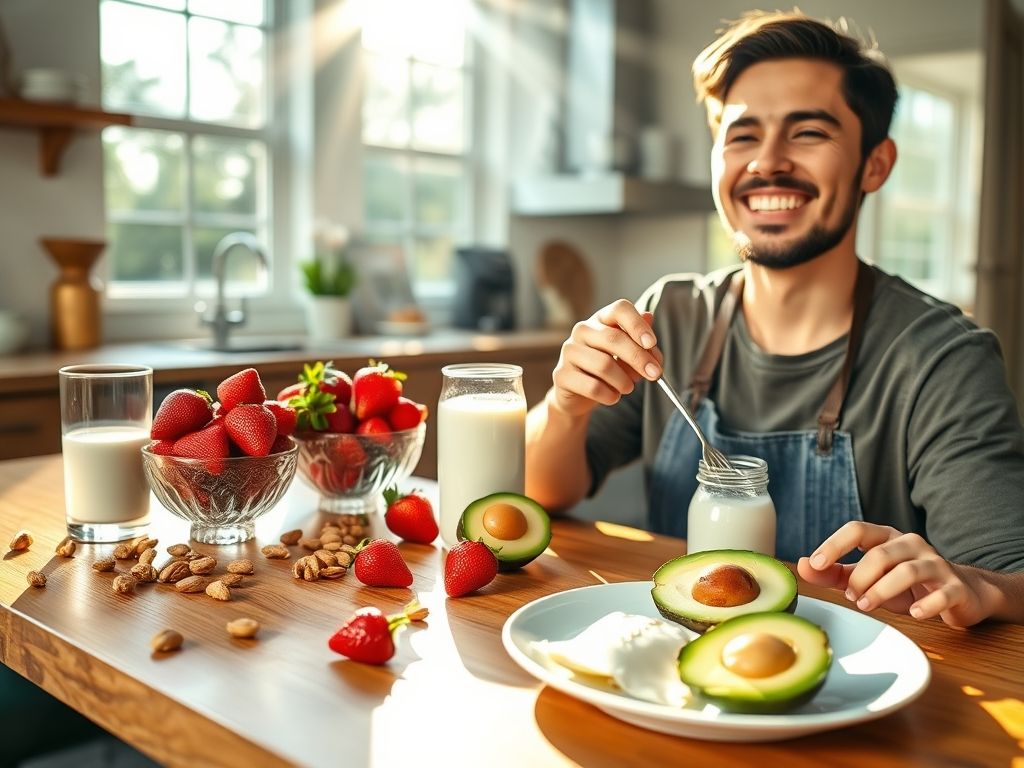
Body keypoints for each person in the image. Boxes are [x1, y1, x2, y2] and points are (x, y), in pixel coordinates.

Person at [525, 10, 1024, 628]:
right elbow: (544, 492)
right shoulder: (672, 316)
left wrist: (978, 585)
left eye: (808, 132)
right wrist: (566, 404)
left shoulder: (942, 359)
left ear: (875, 163)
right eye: (742, 135)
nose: (767, 162)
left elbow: (1011, 574)